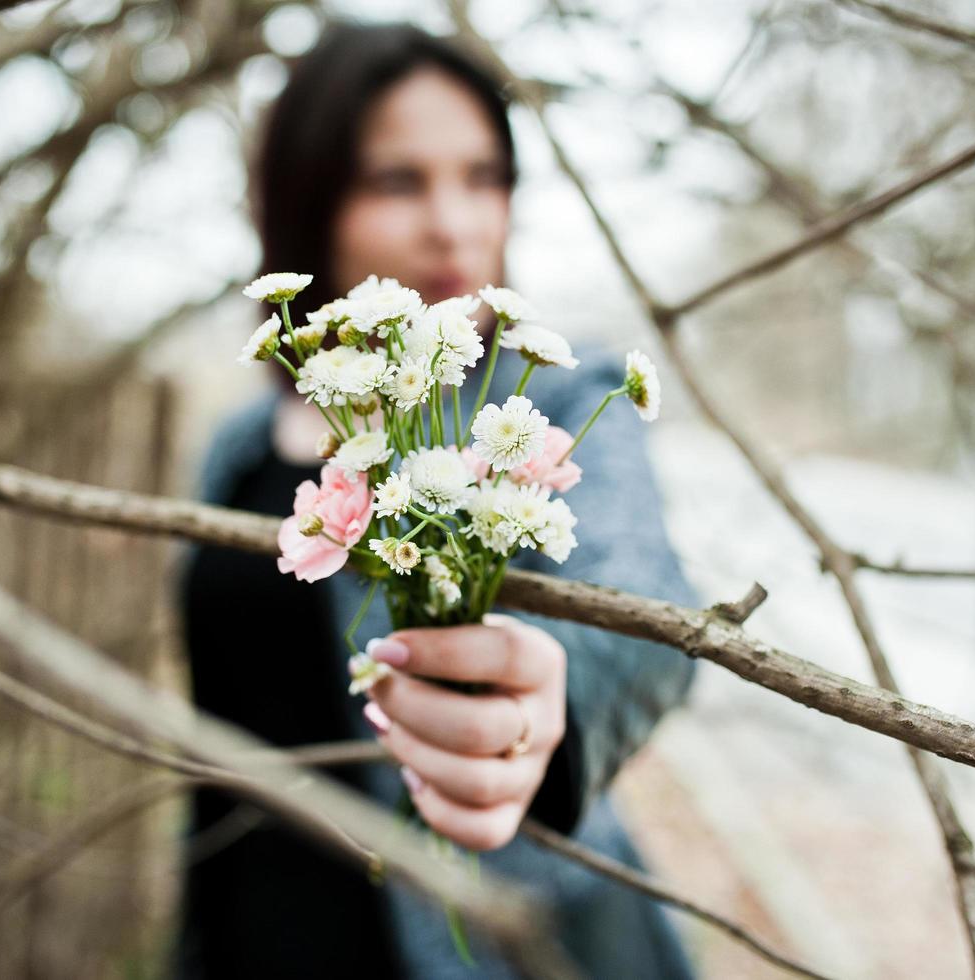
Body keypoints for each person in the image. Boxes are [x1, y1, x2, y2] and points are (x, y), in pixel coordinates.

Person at [175, 21, 701, 979]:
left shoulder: (558, 399)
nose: (454, 224)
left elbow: (648, 607)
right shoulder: (239, 448)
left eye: (483, 176)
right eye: (398, 181)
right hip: (252, 934)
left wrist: (552, 696)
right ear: (309, 198)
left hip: (482, 945)